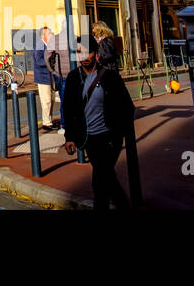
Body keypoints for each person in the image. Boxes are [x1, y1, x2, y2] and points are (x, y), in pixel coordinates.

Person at [63, 36, 135, 210]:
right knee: (105, 178)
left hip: (110, 138)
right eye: (79, 52)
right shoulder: (74, 78)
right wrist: (70, 137)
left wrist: (120, 130)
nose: (84, 56)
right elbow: (69, 109)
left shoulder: (109, 76)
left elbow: (127, 106)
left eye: (88, 52)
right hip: (90, 139)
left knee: (101, 179)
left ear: (95, 54)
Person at [32, 26, 59, 132]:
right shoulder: (40, 46)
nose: (52, 34)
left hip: (49, 77)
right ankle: (46, 123)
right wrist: (51, 62)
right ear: (44, 35)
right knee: (46, 101)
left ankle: (49, 120)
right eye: (50, 33)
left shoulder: (48, 45)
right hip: (43, 77)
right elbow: (38, 61)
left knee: (50, 100)